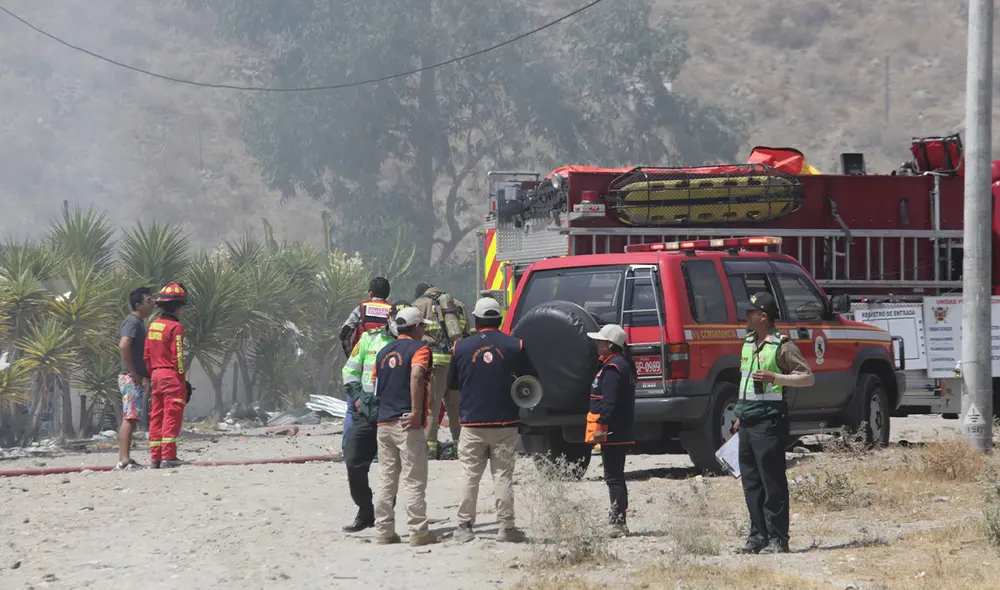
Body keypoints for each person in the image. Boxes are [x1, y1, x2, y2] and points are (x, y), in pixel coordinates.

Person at [732, 292, 815, 555]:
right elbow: (745, 384)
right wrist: (739, 415)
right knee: (751, 483)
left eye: (751, 312)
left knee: (772, 483)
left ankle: (778, 538)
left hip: (769, 422)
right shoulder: (747, 343)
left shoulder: (782, 345)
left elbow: (807, 378)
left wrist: (775, 377)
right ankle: (757, 537)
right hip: (747, 421)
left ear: (763, 316)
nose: (746, 316)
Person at [449, 298, 535, 544]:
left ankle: (465, 527)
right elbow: (529, 382)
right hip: (505, 424)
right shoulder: (515, 346)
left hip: (472, 423)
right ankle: (506, 528)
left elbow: (453, 384)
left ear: (476, 320)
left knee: (469, 475)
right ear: (499, 319)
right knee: (503, 476)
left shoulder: (460, 348)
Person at [371, 306, 438, 546]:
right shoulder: (420, 349)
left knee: (387, 479)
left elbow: (376, 387)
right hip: (407, 424)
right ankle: (419, 531)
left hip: (384, 422)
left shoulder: (382, 353)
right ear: (417, 327)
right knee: (414, 479)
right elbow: (417, 375)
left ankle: (383, 531)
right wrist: (417, 411)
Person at [341, 300, 408, 533]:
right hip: (366, 412)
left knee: (391, 469)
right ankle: (365, 510)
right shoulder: (369, 338)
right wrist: (358, 399)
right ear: (388, 319)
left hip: (394, 414)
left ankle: (384, 517)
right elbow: (350, 370)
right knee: (353, 460)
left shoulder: (409, 344)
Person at [585, 324, 635, 538]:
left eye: (600, 342)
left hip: (613, 430)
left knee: (614, 477)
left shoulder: (614, 368)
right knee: (614, 476)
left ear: (610, 345)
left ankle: (618, 521)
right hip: (616, 429)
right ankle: (617, 517)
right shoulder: (616, 364)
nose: (597, 345)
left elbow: (610, 401)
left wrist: (601, 426)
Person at [413, 281, 470, 460]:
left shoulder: (419, 306)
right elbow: (466, 334)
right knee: (455, 408)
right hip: (455, 362)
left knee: (431, 407)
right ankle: (459, 448)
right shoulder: (457, 305)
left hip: (433, 363)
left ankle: (429, 449)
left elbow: (412, 336)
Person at [338, 277, 393, 453]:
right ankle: (377, 450)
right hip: (386, 362)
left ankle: (348, 449)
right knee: (381, 408)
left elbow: (345, 331)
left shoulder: (362, 308)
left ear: (370, 293)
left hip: (362, 359)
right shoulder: (391, 311)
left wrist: (351, 352)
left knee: (352, 408)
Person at [143, 282, 192, 469]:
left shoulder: (153, 326)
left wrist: (151, 374)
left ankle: (155, 458)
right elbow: (178, 355)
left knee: (156, 415)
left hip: (155, 375)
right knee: (172, 415)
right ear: (178, 307)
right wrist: (181, 380)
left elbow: (147, 354)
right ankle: (169, 456)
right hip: (171, 376)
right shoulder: (175, 327)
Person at [116, 287, 154, 470]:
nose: (152, 304)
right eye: (149, 301)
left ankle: (126, 458)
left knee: (131, 416)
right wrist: (133, 373)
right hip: (130, 378)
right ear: (138, 305)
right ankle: (124, 459)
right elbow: (124, 345)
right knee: (129, 417)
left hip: (135, 377)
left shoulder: (139, 323)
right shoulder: (132, 321)